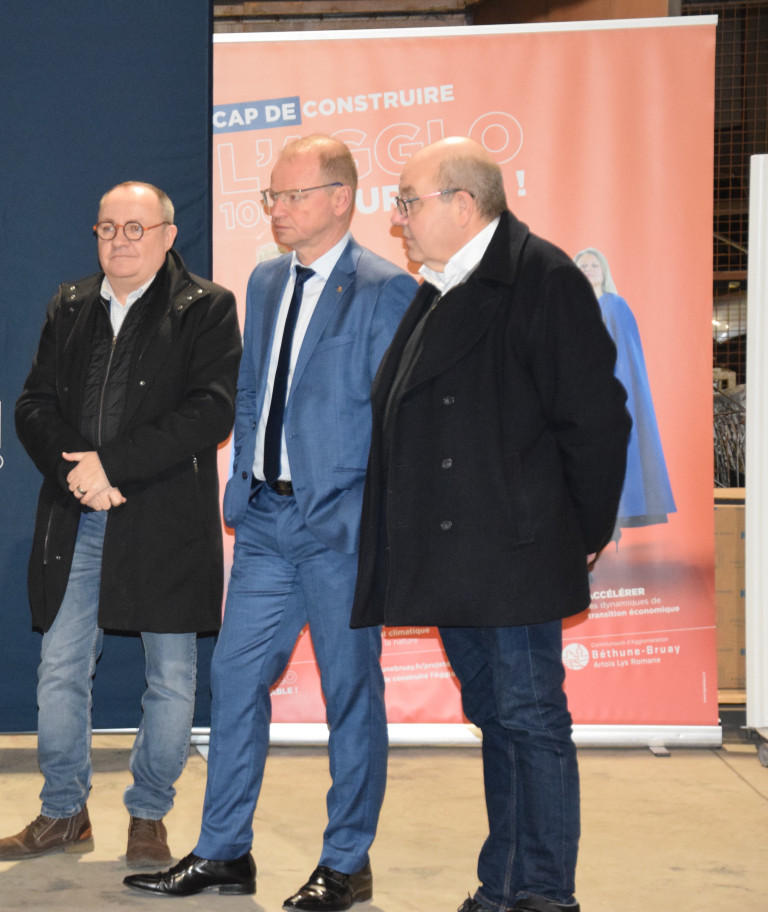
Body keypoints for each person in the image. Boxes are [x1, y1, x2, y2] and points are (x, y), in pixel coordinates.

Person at [124, 135, 415, 909]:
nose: (277, 211)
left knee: (352, 693)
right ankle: (224, 852)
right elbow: (252, 390)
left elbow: (403, 422)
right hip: (263, 525)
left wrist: (368, 517)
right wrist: (244, 483)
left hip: (339, 532)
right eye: (271, 199)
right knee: (234, 678)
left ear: (340, 198)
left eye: (290, 197)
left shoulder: (387, 289)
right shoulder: (262, 280)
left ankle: (346, 862)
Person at [352, 137, 630, 912]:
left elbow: (598, 421)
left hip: (514, 550)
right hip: (460, 558)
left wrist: (576, 531)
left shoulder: (542, 279)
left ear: (463, 205)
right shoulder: (443, 285)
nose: (398, 218)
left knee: (531, 721)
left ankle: (544, 891)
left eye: (409, 201)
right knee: (499, 721)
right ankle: (501, 887)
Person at [0, 182, 241, 868]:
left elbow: (209, 412)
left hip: (162, 517)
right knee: (61, 668)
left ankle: (149, 814)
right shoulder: (69, 304)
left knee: (172, 677)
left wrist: (114, 469)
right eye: (107, 229)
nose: (120, 242)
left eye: (135, 228)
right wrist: (78, 473)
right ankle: (63, 812)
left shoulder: (206, 308)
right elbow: (33, 404)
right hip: (78, 516)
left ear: (167, 234)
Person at [573, 247, 676, 531]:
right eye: (582, 265)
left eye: (594, 264)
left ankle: (612, 523)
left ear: (603, 271)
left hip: (608, 394)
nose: (589, 269)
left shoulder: (615, 305)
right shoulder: (567, 307)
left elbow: (627, 357)